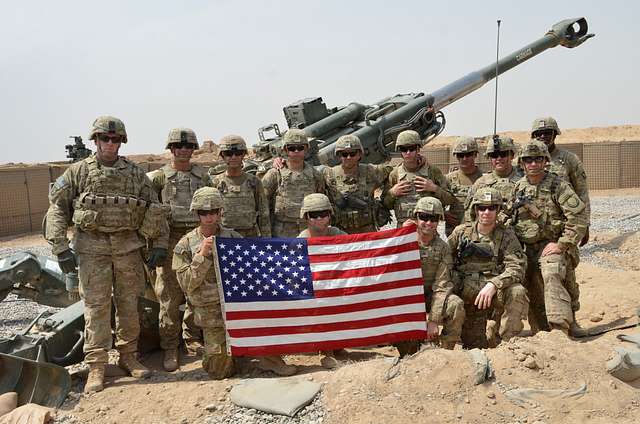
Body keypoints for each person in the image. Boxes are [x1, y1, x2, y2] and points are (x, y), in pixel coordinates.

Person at [45, 116, 168, 392]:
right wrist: (60, 247)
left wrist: (159, 244)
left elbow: (155, 209)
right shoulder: (78, 172)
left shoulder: (135, 174)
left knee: (128, 305)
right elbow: (57, 209)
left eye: (115, 139)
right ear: (95, 140)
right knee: (96, 308)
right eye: (104, 138)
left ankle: (128, 357)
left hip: (127, 248)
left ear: (121, 142)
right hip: (92, 249)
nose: (109, 144)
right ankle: (97, 366)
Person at [173, 187, 297, 377]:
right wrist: (202, 256)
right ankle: (238, 358)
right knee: (219, 371)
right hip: (210, 312)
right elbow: (186, 284)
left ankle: (268, 359)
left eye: (213, 211)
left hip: (238, 306)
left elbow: (252, 271)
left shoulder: (233, 238)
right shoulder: (185, 244)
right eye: (204, 213)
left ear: (220, 212)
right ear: (196, 213)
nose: (209, 217)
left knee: (264, 322)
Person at [147, 127, 210, 371]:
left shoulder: (203, 177)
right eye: (179, 146)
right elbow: (151, 214)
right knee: (169, 298)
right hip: (169, 240)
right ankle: (170, 347)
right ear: (171, 149)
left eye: (188, 147)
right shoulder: (158, 178)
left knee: (197, 292)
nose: (183, 151)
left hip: (197, 237)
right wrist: (155, 245)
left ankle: (192, 339)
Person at [510, 141, 588, 334]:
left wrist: (562, 244)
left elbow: (578, 217)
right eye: (528, 159)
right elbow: (509, 218)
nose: (533, 164)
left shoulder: (558, 185)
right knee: (530, 287)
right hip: (526, 247)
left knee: (552, 272)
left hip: (552, 245)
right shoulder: (518, 188)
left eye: (538, 159)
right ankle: (542, 331)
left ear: (545, 161)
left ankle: (562, 326)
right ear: (521, 163)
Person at [530, 117, 591, 333]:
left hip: (563, 231)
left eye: (547, 133)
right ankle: (542, 328)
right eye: (539, 133)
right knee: (536, 281)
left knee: (566, 275)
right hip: (536, 233)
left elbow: (582, 193)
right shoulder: (529, 158)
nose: (543, 137)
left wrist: (584, 226)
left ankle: (570, 320)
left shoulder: (569, 160)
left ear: (555, 134)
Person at [448, 187, 528, 348]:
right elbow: (444, 262)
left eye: (491, 208)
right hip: (467, 295)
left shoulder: (506, 234)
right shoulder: (460, 232)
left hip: (493, 294)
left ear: (498, 209)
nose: (486, 212)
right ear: (475, 209)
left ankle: (508, 343)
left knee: (517, 291)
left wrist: (494, 284)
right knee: (474, 345)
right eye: (481, 207)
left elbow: (517, 266)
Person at [397, 197, 465, 354]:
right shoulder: (403, 241)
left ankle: (445, 352)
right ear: (416, 218)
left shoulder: (443, 248)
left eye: (433, 218)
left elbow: (442, 285)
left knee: (455, 304)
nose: (428, 223)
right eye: (424, 217)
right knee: (409, 350)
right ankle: (407, 351)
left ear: (439, 221)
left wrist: (433, 320)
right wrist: (400, 233)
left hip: (431, 296)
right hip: (408, 298)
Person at [297, 193, 347, 368]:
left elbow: (357, 252)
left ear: (330, 215)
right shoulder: (299, 242)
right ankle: (326, 350)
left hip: (335, 287)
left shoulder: (338, 234)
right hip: (314, 295)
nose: (319, 219)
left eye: (323, 214)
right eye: (314, 215)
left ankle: (336, 343)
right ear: (306, 217)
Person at [384, 130, 455, 228]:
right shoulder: (395, 174)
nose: (408, 153)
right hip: (404, 229)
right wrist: (392, 193)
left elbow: (450, 199)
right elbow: (385, 205)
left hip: (428, 228)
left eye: (411, 148)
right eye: (404, 149)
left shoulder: (432, 171)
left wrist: (434, 189)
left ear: (418, 149)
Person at [324, 134, 392, 233]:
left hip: (367, 230)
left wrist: (389, 194)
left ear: (359, 154)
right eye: (344, 154)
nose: (348, 157)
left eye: (352, 153)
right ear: (338, 156)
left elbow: (395, 172)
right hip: (340, 232)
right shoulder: (328, 175)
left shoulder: (371, 171)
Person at [262, 129, 325, 237]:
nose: (296, 151)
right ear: (285, 149)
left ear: (306, 149)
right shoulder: (274, 175)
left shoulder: (316, 176)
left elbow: (322, 208)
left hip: (309, 232)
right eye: (292, 148)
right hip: (282, 235)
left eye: (300, 148)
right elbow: (263, 206)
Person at [210, 134, 271, 237]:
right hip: (225, 237)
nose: (233, 157)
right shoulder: (216, 183)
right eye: (228, 153)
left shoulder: (254, 182)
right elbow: (210, 215)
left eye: (238, 153)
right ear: (222, 156)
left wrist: (266, 241)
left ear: (243, 155)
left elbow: (263, 214)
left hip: (250, 237)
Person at [445, 136, 483, 235]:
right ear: (456, 156)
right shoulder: (449, 179)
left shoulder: (484, 180)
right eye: (460, 155)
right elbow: (438, 201)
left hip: (477, 232)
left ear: (475, 154)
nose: (464, 158)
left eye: (468, 154)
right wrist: (444, 214)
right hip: (454, 232)